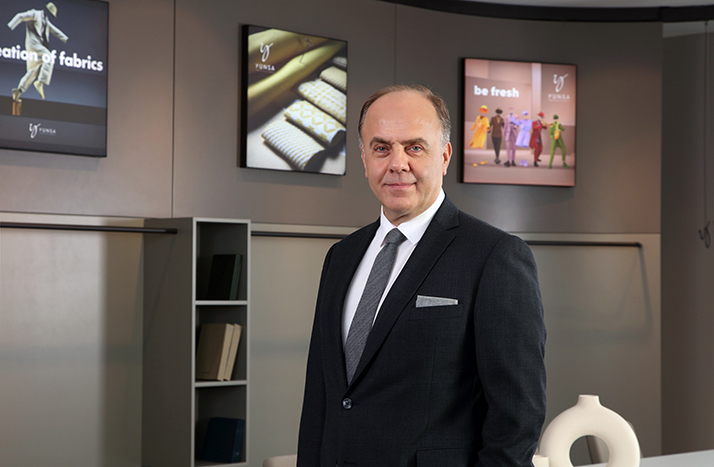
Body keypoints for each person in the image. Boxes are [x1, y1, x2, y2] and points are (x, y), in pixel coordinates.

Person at [297, 84, 546, 467]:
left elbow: (517, 416)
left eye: (414, 147)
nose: (397, 163)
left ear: (444, 156)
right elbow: (320, 398)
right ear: (364, 158)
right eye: (382, 148)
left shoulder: (494, 255)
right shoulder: (341, 257)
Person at [7, 2, 68, 102]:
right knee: (49, 57)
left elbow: (53, 30)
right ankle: (40, 82)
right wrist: (9, 27)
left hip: (37, 46)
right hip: (33, 45)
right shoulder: (35, 14)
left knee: (33, 71)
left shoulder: (45, 19)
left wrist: (65, 39)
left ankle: (18, 91)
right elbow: (20, 16)